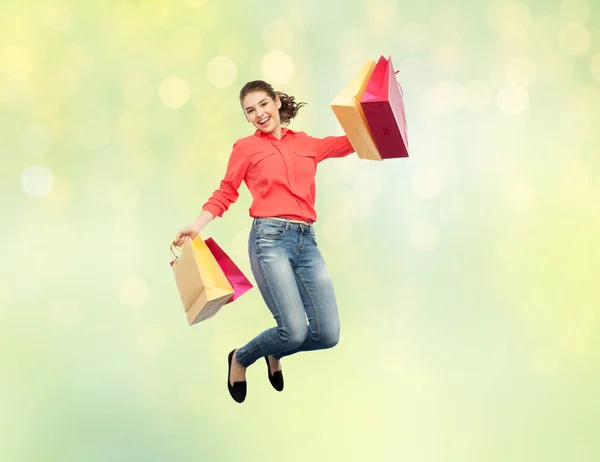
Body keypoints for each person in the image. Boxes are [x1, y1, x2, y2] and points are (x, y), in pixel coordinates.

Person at [173, 80, 356, 403]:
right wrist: (197, 225)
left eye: (263, 104)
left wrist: (373, 114)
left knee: (328, 334)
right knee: (295, 330)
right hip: (269, 241)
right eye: (250, 110)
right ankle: (241, 358)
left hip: (306, 242)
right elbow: (226, 192)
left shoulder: (307, 143)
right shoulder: (246, 148)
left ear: (276, 102)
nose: (259, 114)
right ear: (246, 118)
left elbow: (352, 142)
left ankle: (276, 351)